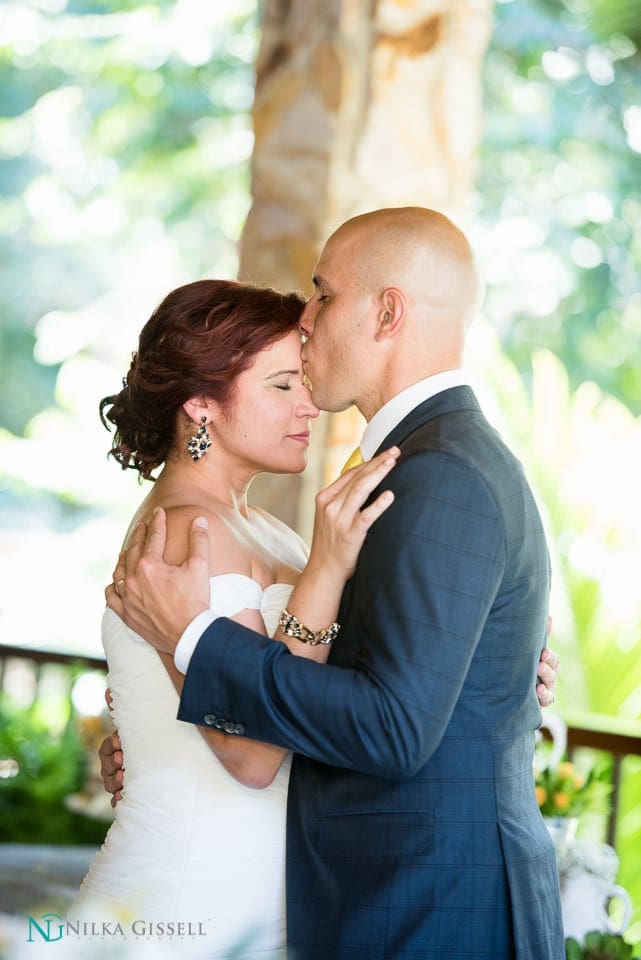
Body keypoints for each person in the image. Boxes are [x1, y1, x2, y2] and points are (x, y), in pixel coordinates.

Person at [106, 206, 564, 960]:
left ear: (387, 312)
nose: (309, 319)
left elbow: (393, 721)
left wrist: (193, 642)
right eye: (277, 382)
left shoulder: (435, 473)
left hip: (427, 902)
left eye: (322, 293)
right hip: (284, 889)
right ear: (201, 407)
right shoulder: (407, 469)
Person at [70, 278, 402, 959]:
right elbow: (250, 754)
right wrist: (327, 570)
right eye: (282, 385)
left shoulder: (261, 529)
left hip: (260, 886)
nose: (309, 404)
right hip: (191, 897)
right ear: (200, 406)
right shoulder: (193, 530)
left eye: (303, 379)